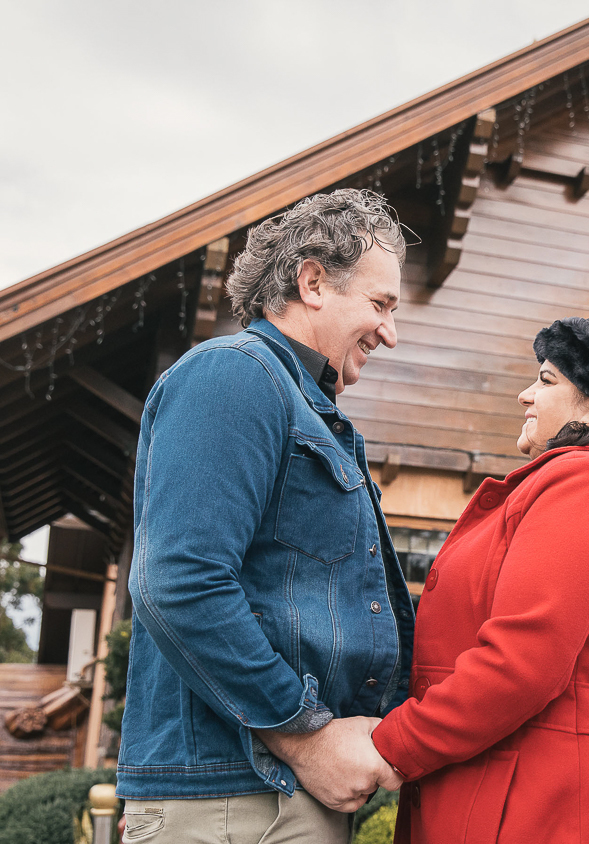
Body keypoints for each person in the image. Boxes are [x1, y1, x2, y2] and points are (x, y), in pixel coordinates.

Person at [116, 189, 414, 844]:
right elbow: (180, 581)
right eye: (380, 304)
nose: (390, 333)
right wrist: (307, 739)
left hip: (270, 796)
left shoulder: (314, 413)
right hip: (235, 798)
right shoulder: (234, 374)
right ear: (313, 282)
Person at [371, 311, 589, 843]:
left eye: (546, 381)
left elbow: (520, 662)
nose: (525, 395)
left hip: (549, 811)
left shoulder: (587, 480)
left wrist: (391, 746)